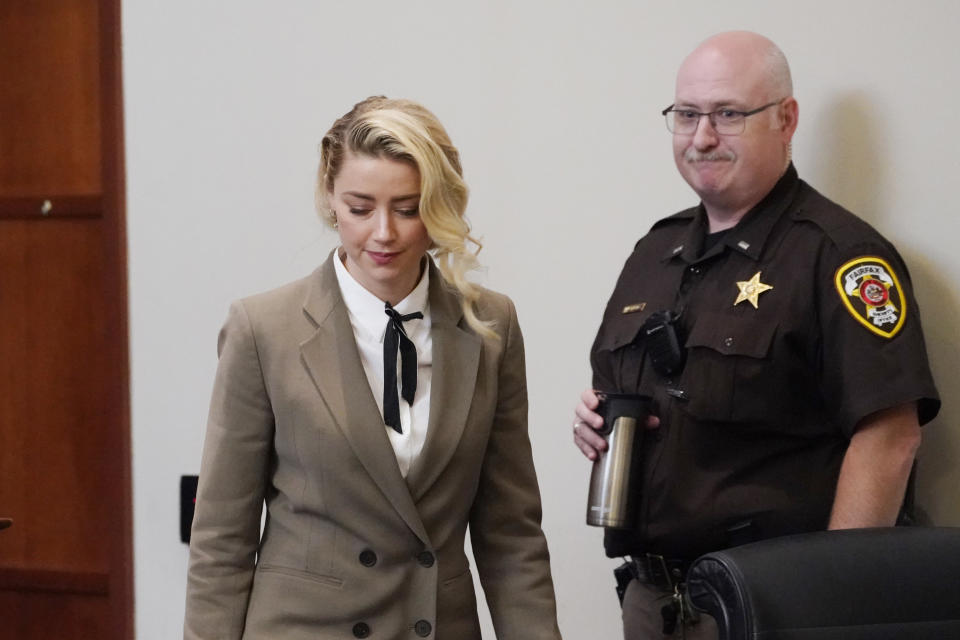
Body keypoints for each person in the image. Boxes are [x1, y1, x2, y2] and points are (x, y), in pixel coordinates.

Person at [572, 32, 939, 639]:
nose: (702, 136)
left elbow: (890, 439)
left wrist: (831, 601)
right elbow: (621, 392)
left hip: (775, 604)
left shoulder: (840, 256)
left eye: (728, 114)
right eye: (686, 115)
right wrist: (590, 417)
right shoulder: (654, 252)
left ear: (786, 119)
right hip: (654, 599)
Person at [184, 96, 562, 640]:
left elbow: (511, 535)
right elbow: (222, 538)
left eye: (408, 209)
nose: (383, 233)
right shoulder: (263, 328)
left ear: (440, 208)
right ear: (330, 202)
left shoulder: (490, 324)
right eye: (360, 209)